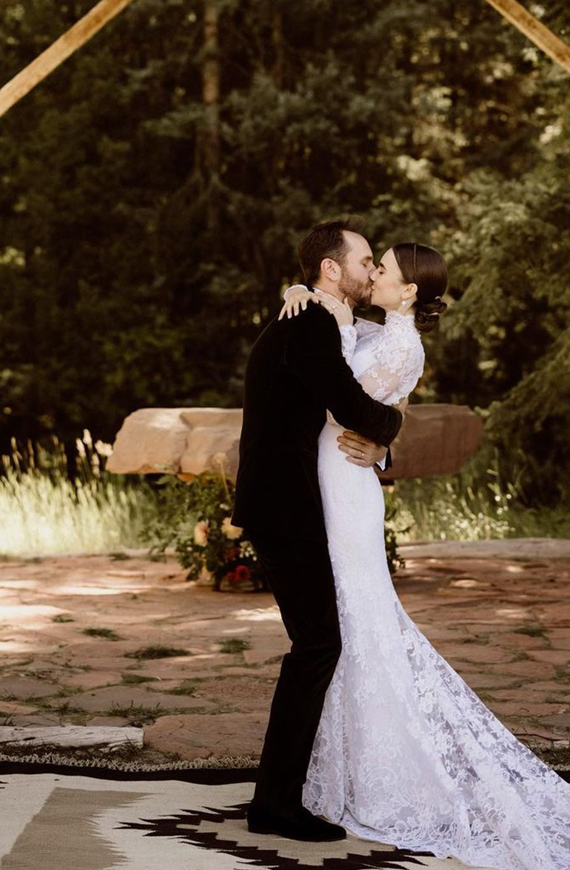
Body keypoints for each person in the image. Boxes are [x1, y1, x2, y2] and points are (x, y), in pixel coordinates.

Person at [276, 241, 570, 869]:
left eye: (383, 268)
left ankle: (387, 777)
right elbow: (333, 342)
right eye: (372, 263)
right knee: (342, 629)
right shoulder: (369, 326)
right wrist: (296, 292)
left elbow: (344, 403)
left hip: (345, 488)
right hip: (327, 481)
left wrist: (385, 442)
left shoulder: (402, 345)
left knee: (361, 623)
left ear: (408, 291)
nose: (375, 272)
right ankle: (340, 770)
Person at [231, 219, 404, 843]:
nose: (368, 270)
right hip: (284, 507)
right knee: (317, 647)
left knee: (316, 646)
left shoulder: (316, 320)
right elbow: (354, 407)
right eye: (362, 260)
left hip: (288, 504)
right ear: (331, 269)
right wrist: (393, 427)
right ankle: (275, 805)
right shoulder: (305, 325)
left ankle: (279, 795)